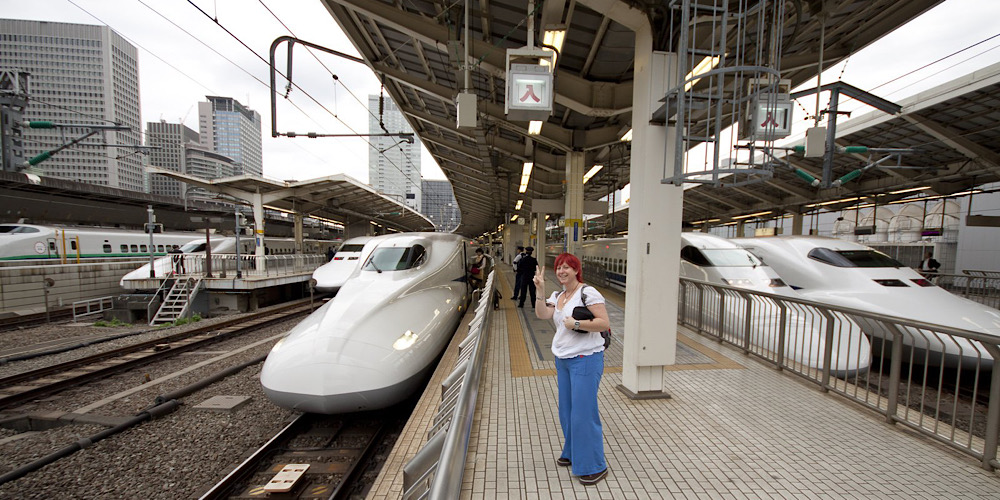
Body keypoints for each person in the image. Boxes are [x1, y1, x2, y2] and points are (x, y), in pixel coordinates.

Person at [533, 253, 610, 485]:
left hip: (586, 359)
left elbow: (604, 323)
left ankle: (594, 465)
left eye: (567, 267)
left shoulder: (588, 293)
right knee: (566, 411)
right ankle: (573, 451)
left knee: (583, 414)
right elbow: (542, 314)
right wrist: (540, 289)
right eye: (558, 267)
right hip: (563, 360)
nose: (561, 271)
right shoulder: (558, 295)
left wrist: (576, 323)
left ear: (576, 270)